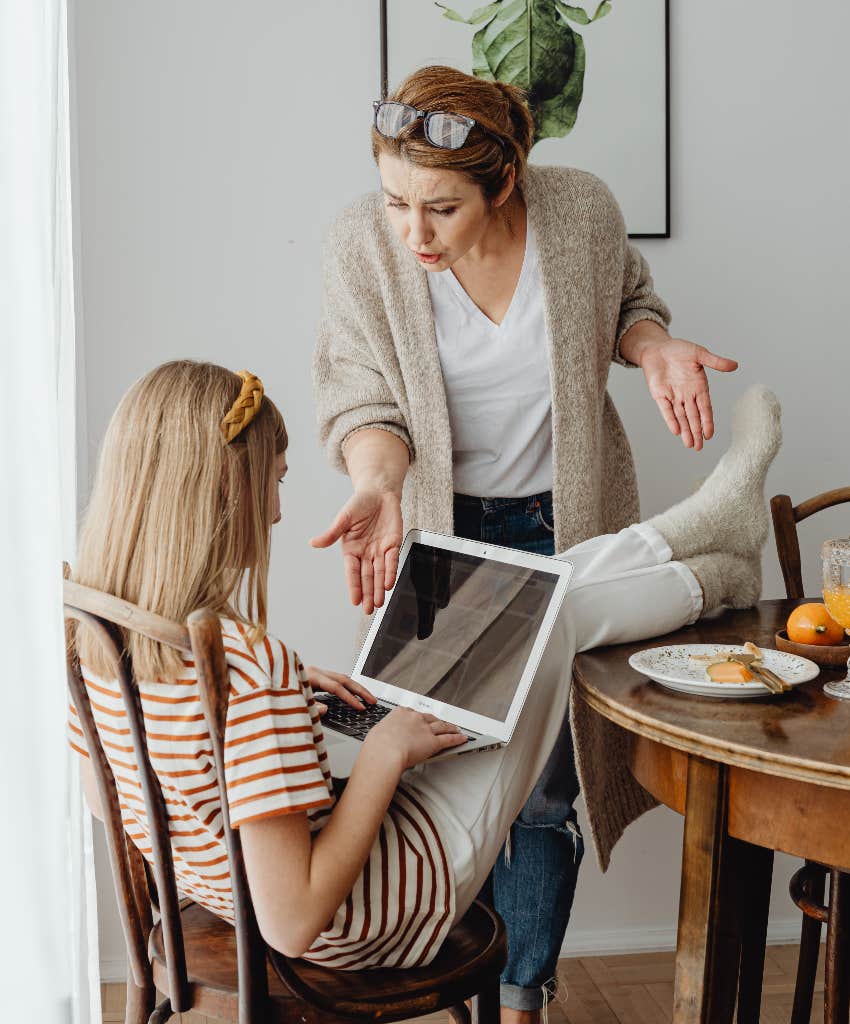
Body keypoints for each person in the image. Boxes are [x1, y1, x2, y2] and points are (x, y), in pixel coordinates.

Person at [69, 362, 779, 1013]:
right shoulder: (250, 672)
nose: (280, 511)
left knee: (522, 599)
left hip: (239, 892)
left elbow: (122, 803)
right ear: (226, 494)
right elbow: (293, 924)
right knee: (545, 617)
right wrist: (380, 753)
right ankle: (716, 561)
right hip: (373, 914)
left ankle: (711, 540)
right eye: (276, 481)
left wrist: (282, 719)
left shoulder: (101, 635)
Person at [312, 66, 740, 1014]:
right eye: (395, 201)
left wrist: (654, 346)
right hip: (437, 532)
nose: (412, 232)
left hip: (565, 527)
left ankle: (522, 999)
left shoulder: (580, 213)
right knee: (440, 772)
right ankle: (452, 984)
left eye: (441, 208)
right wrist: (378, 482)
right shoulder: (363, 244)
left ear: (504, 184)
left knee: (545, 792)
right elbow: (361, 393)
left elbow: (628, 304)